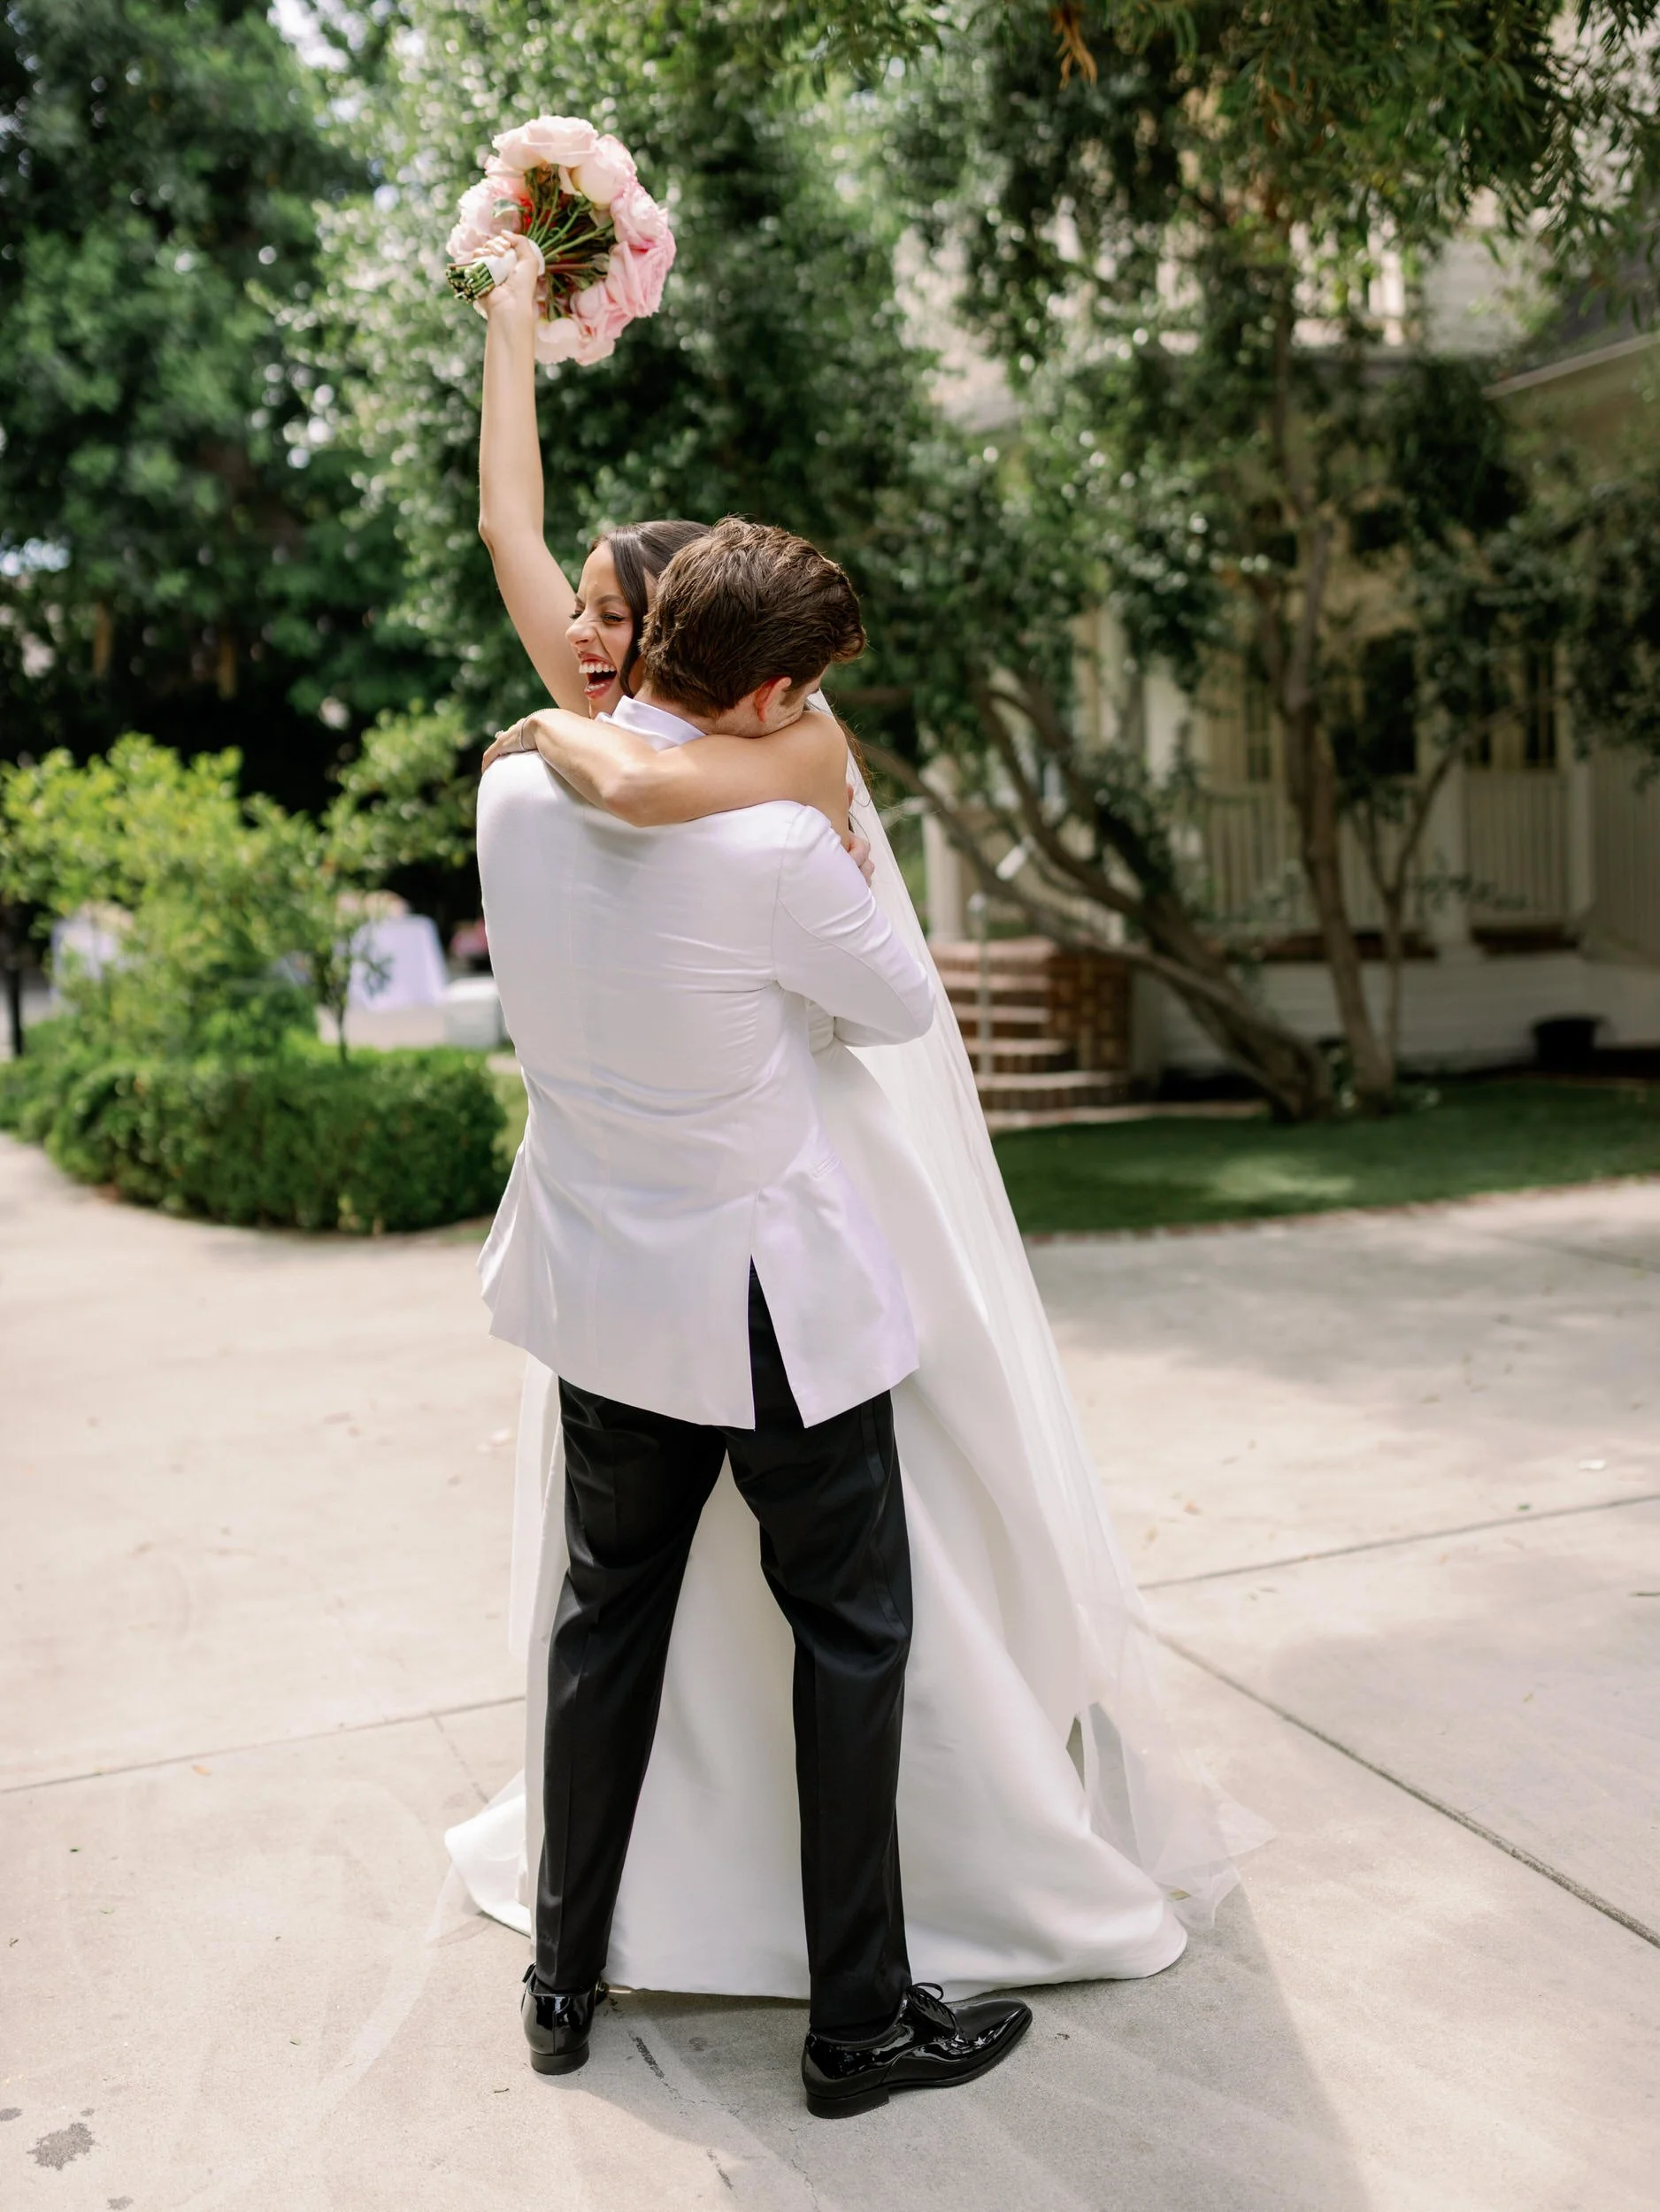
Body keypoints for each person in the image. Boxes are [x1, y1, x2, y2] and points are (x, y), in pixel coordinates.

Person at [451, 234, 1264, 2108]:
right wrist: (808, 804)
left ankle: (562, 1981)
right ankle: (854, 2019)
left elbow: (624, 768)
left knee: (601, 1614)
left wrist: (512, 318)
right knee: (853, 1630)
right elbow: (894, 1003)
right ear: (769, 687)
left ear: (650, 644)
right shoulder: (784, 826)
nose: (576, 626)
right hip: (760, 1307)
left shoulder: (514, 781)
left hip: (593, 1289)